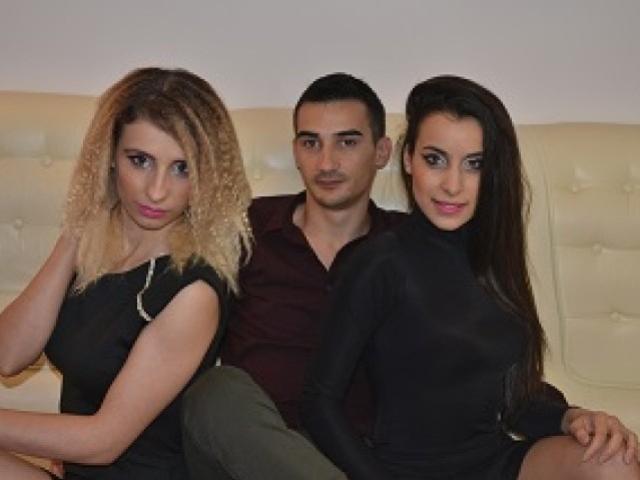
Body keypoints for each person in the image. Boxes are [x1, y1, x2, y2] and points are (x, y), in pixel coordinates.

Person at [302, 75, 640, 479]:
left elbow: (513, 402)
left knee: (614, 460)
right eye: (435, 159)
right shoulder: (378, 263)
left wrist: (573, 417)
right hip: (408, 471)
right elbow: (318, 402)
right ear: (408, 160)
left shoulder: (496, 257)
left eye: (474, 164)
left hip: (494, 461)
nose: (452, 185)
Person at [0, 67, 252, 479]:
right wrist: (80, 227)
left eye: (182, 168)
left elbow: (102, 442)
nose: (157, 190)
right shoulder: (96, 238)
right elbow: (10, 354)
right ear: (110, 159)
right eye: (140, 161)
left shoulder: (194, 289)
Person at [181, 73, 403, 479]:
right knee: (216, 391)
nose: (326, 163)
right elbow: (169, 336)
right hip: (246, 457)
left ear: (381, 151)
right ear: (296, 151)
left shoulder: (409, 247)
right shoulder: (245, 229)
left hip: (362, 458)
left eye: (347, 142)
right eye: (311, 143)